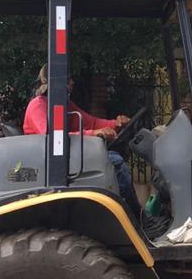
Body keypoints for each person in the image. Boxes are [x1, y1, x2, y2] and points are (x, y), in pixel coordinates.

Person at [23, 64, 139, 211]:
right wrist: (94, 133)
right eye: (69, 79)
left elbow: (92, 122)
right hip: (49, 163)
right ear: (58, 81)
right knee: (115, 161)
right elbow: (53, 138)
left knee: (113, 157)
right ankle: (137, 215)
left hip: (65, 157)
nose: (73, 82)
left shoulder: (63, 105)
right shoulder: (37, 106)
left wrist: (116, 123)